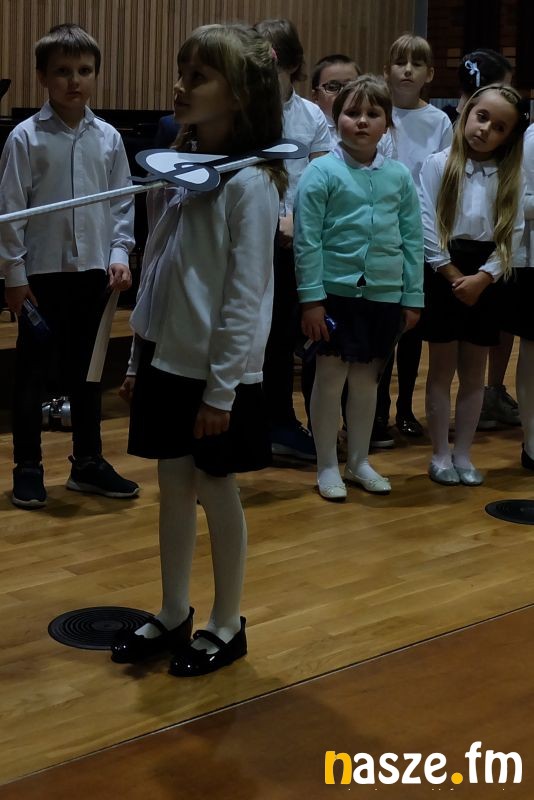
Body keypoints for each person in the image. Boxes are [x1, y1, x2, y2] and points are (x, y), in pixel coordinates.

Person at [110, 24, 286, 676]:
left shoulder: (251, 184)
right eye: (181, 72)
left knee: (216, 487)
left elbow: (245, 296)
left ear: (238, 94)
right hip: (168, 356)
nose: (180, 87)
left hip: (216, 375)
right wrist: (139, 357)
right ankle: (173, 610)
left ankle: (226, 622)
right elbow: (159, 268)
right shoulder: (185, 170)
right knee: (173, 485)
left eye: (198, 76)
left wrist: (222, 391)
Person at [0, 23, 138, 509]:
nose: (74, 80)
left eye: (84, 70)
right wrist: (14, 276)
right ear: (42, 77)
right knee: (32, 374)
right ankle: (28, 467)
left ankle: (87, 462)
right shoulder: (25, 138)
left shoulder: (109, 138)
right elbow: (10, 211)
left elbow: (122, 204)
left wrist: (119, 254)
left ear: (96, 74)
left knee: (88, 372)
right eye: (62, 71)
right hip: (41, 277)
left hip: (93, 274)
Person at [294, 75, 424, 501]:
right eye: (352, 113)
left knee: (368, 382)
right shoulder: (320, 172)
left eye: (373, 113)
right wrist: (311, 299)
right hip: (334, 296)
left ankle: (359, 460)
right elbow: (307, 241)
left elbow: (412, 240)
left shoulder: (399, 177)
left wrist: (412, 296)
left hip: (384, 295)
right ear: (337, 119)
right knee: (330, 379)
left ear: (387, 123)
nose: (363, 121)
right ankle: (326, 463)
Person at [419, 84, 526, 486]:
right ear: (467, 113)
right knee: (441, 370)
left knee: (474, 372)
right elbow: (426, 224)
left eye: (498, 127)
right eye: (482, 117)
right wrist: (451, 274)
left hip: (486, 276)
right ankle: (440, 454)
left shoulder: (511, 176)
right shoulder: (437, 164)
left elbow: (512, 233)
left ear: (508, 137)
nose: (485, 130)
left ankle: (463, 453)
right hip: (445, 271)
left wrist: (484, 277)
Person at [254, 18, 331, 461]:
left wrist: (296, 222)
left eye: (273, 66)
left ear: (292, 66)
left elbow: (318, 180)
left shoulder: (311, 116)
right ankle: (250, 423)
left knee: (283, 338)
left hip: (293, 240)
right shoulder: (245, 109)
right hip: (251, 235)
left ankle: (281, 421)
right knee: (251, 333)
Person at [373, 33, 453, 449]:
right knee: (383, 327)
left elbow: (444, 182)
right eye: (400, 62)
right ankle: (378, 408)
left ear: (429, 74)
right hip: (381, 235)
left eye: (416, 64)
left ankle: (405, 407)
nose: (407, 70)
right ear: (386, 70)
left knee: (411, 327)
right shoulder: (377, 112)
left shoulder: (439, 122)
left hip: (421, 236)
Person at [500, 122, 534, 470]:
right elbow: (515, 201)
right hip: (531, 262)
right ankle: (533, 442)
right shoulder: (532, 141)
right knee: (532, 352)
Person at [311, 53, 361, 146]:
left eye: (350, 86)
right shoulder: (307, 131)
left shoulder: (376, 131)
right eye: (332, 87)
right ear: (315, 95)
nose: (343, 93)